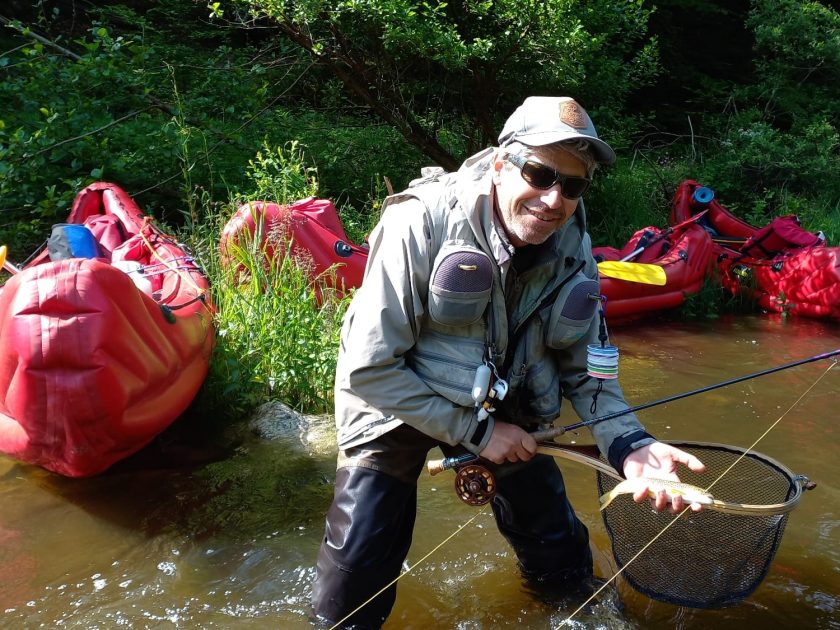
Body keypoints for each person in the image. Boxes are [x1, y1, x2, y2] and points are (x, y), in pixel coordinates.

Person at [312, 96, 705, 628]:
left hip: (505, 397)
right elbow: (370, 369)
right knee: (350, 595)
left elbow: (593, 368)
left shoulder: (575, 246)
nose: (553, 199)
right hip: (394, 398)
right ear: (500, 165)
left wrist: (630, 445)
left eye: (572, 185)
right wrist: (477, 433)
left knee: (564, 564)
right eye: (540, 173)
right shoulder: (420, 222)